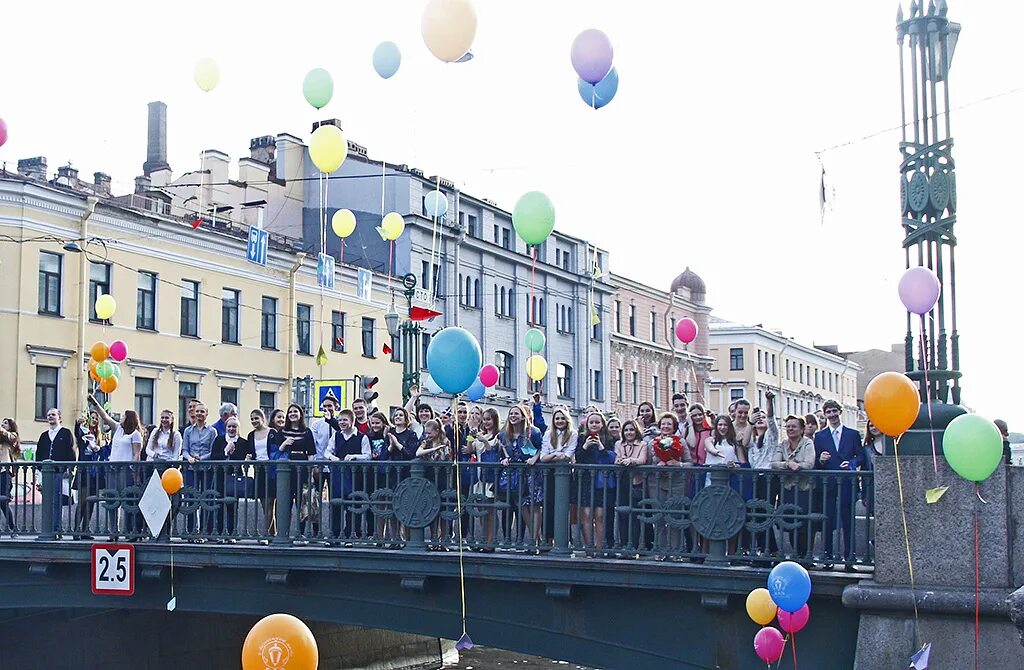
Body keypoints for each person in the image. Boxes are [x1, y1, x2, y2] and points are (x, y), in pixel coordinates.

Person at [813, 399, 866, 567]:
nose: (832, 415)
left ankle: (849, 557)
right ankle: (827, 557)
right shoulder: (820, 436)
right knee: (827, 520)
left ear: (840, 412)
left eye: (834, 411)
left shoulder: (852, 434)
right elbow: (815, 461)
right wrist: (820, 460)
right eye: (828, 412)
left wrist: (851, 464)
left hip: (847, 482)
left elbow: (861, 456)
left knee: (848, 520)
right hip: (828, 484)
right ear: (825, 415)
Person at [89, 397, 144, 537]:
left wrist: (135, 472)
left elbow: (136, 454)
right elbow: (105, 417)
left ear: (129, 418)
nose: (121, 417)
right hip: (112, 468)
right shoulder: (118, 429)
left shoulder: (136, 434)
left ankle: (129, 530)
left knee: (127, 500)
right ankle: (113, 531)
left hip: (125, 470)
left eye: (124, 416)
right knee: (111, 500)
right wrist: (95, 403)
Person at [497, 405, 544, 549]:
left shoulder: (533, 432)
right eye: (511, 413)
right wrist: (504, 459)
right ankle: (534, 537)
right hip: (516, 475)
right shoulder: (504, 434)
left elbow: (542, 448)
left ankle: (534, 541)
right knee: (521, 505)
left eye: (516, 414)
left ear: (523, 416)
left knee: (534, 505)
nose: (513, 416)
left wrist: (535, 458)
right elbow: (504, 452)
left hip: (531, 472)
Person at [770, 415, 815, 560]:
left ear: (802, 429)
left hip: (804, 489)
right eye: (788, 426)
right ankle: (795, 554)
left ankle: (805, 555)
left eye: (793, 426)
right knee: (789, 521)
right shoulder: (782, 444)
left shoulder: (807, 443)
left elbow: (809, 464)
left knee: (804, 524)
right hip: (788, 489)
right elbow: (774, 463)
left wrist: (798, 465)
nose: (790, 429)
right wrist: (788, 464)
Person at [647, 412, 691, 556]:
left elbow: (690, 463)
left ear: (674, 427)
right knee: (659, 517)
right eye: (663, 424)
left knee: (675, 517)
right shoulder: (652, 442)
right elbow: (646, 463)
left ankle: (675, 551)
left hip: (676, 483)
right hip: (656, 482)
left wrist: (677, 464)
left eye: (669, 424)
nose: (666, 426)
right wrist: (657, 465)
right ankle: (660, 550)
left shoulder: (681, 442)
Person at [325, 408, 371, 542]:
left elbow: (367, 456)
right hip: (338, 475)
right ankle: (334, 535)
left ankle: (350, 535)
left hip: (355, 476)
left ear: (352, 421)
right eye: (339, 420)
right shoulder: (336, 436)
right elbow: (327, 452)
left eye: (345, 420)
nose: (341, 422)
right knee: (336, 504)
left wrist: (355, 456)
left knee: (353, 505)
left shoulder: (362, 437)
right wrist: (334, 459)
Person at [574, 412, 616, 554]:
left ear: (602, 424)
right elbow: (578, 458)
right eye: (591, 422)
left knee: (600, 515)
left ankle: (599, 547)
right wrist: (585, 445)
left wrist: (600, 446)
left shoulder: (609, 439)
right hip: (585, 480)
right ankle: (589, 547)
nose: (594, 425)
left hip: (602, 481)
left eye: (597, 422)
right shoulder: (581, 438)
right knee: (585, 514)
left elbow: (611, 459)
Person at [210, 416, 253, 538]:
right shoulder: (219, 439)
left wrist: (247, 458)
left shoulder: (243, 442)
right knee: (219, 505)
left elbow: (247, 456)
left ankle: (232, 533)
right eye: (229, 426)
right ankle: (219, 533)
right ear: (226, 427)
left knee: (232, 506)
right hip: (220, 476)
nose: (232, 429)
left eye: (234, 426)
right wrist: (225, 451)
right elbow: (214, 457)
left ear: (238, 428)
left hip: (235, 477)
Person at [36, 408, 76, 536]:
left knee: (57, 500)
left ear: (59, 417)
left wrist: (69, 468)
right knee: (47, 500)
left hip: (59, 471)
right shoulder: (44, 435)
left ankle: (56, 528)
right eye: (48, 415)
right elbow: (39, 453)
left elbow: (71, 451)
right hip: (46, 472)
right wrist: (39, 470)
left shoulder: (65, 433)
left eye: (53, 415)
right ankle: (48, 528)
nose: (50, 417)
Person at [182, 402, 218, 538]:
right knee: (191, 498)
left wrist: (201, 458)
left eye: (202, 412)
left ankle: (206, 531)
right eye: (197, 411)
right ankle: (191, 530)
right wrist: (190, 458)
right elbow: (184, 449)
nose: (199, 414)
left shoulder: (212, 431)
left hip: (206, 469)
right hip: (191, 469)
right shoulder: (188, 431)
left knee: (206, 498)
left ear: (206, 414)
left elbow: (213, 451)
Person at [416, 419, 452, 549]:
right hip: (430, 477)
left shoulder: (446, 442)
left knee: (443, 509)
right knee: (432, 509)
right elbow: (418, 453)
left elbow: (446, 458)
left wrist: (438, 449)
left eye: (430, 433)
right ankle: (433, 538)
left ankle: (443, 540)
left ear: (437, 431)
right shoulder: (426, 442)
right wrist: (434, 449)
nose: (427, 435)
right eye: (426, 433)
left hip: (442, 477)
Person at [614, 419, 648, 554]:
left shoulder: (643, 444)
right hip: (622, 481)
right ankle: (623, 544)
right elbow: (617, 458)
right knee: (622, 513)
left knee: (635, 514)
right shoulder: (619, 443)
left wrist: (631, 461)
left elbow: (642, 460)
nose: (629, 433)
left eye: (632, 430)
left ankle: (633, 545)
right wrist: (621, 460)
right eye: (626, 430)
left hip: (637, 482)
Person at [246, 408, 280, 538]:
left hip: (271, 470)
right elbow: (250, 452)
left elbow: (276, 451)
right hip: (258, 471)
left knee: (270, 503)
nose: (254, 421)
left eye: (256, 418)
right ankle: (273, 534)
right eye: (252, 419)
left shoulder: (272, 433)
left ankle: (265, 533)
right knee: (264, 504)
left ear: (262, 419)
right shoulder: (251, 435)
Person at [472, 408, 502, 551]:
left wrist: (484, 440)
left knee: (490, 509)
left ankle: (491, 541)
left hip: (490, 476)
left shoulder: (498, 436)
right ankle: (484, 538)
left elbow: (493, 452)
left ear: (495, 420)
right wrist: (472, 437)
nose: (486, 422)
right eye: (484, 419)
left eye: (489, 419)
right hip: (479, 476)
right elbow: (470, 449)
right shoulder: (482, 434)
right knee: (481, 508)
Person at [0, 418, 22, 533]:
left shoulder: (12, 436)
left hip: (5, 472)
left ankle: (13, 527)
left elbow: (10, 437)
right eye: (2, 422)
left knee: (3, 500)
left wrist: (1, 429)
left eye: (5, 423)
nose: (2, 424)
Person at [861, 421, 885, 516]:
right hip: (873, 488)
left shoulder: (893, 444)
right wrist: (864, 495)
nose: (874, 427)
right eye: (871, 426)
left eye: (876, 424)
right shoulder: (866, 449)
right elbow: (864, 472)